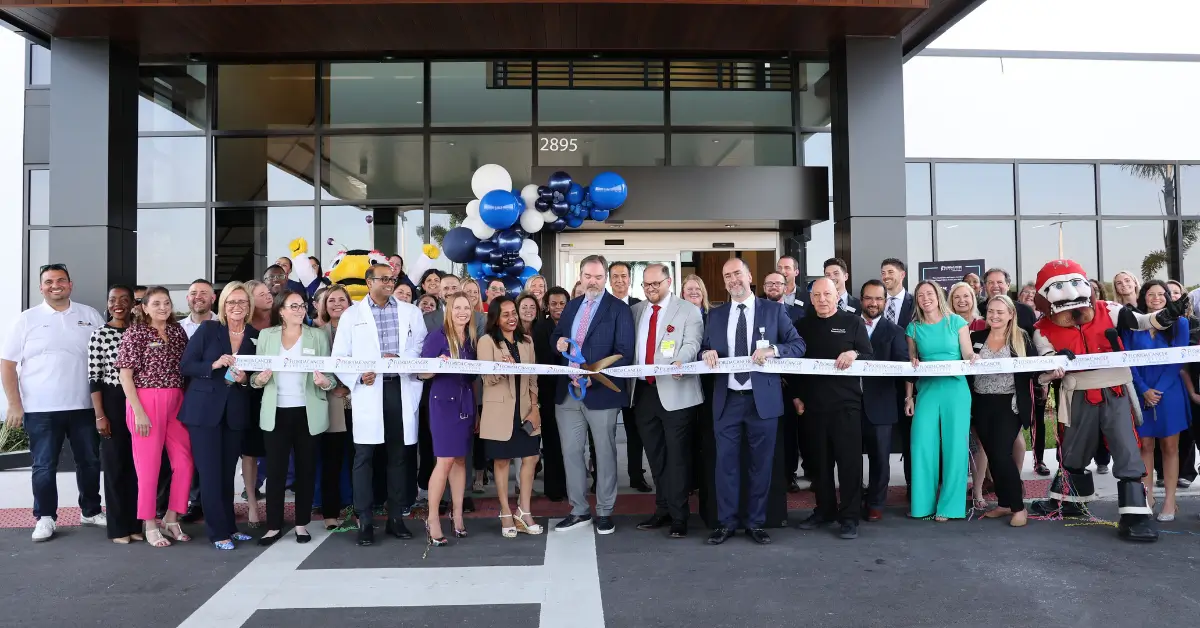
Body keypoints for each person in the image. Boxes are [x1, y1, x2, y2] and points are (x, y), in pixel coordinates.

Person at [1027, 259, 1181, 541]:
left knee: (1126, 448)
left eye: (1075, 284)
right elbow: (1046, 358)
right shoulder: (1042, 327)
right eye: (1061, 287)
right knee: (1073, 449)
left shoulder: (1109, 310)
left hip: (1116, 390)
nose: (1072, 294)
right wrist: (1054, 366)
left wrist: (1165, 316)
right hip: (1077, 391)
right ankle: (1070, 501)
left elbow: (1142, 322)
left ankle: (1135, 515)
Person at [702, 258, 806, 546]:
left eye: (737, 273)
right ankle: (726, 523)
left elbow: (798, 345)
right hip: (727, 401)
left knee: (760, 465)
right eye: (727, 276)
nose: (733, 279)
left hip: (764, 402)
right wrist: (704, 354)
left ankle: (756, 522)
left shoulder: (774, 310)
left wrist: (774, 349)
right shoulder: (716, 314)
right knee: (726, 465)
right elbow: (703, 348)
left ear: (749, 276)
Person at [3, 264, 107, 543]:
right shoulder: (26, 319)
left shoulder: (90, 316)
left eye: (61, 280)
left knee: (90, 462)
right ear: (41, 288)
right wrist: (14, 404)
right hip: (41, 409)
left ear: (70, 284)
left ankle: (91, 511)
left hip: (84, 406)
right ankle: (45, 517)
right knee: (44, 465)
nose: (55, 285)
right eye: (49, 281)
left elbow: (104, 360)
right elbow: (8, 364)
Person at [332, 263, 428, 546]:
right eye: (384, 279)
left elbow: (420, 347)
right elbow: (340, 356)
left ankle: (396, 517)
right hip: (368, 391)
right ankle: (365, 521)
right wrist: (358, 376)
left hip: (399, 388)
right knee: (364, 457)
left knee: (398, 457)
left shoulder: (411, 312)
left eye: (392, 278)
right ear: (368, 281)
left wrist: (400, 358)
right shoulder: (352, 315)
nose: (389, 283)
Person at [550, 255, 636, 534]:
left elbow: (625, 352)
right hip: (568, 393)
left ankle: (605, 511)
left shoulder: (618, 309)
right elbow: (557, 339)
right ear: (581, 276)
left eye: (599, 277)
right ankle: (578, 510)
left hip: (602, 394)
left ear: (606, 279)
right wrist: (559, 342)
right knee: (572, 453)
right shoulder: (572, 306)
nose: (593, 281)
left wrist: (594, 373)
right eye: (588, 276)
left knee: (605, 453)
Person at [251, 290, 338, 546]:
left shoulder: (318, 336)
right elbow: (255, 378)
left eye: (302, 306)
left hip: (307, 413)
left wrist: (324, 382)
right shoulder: (267, 336)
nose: (299, 310)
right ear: (281, 311)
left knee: (306, 470)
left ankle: (301, 524)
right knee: (276, 472)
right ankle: (273, 526)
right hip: (276, 411)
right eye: (294, 306)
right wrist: (260, 379)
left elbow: (331, 377)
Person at [177, 282, 259, 550]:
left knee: (226, 474)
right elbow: (186, 365)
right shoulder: (209, 329)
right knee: (210, 474)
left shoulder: (255, 336)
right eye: (231, 302)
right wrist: (215, 364)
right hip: (203, 413)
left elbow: (256, 379)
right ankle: (217, 532)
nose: (237, 307)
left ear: (249, 306)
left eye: (242, 302)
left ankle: (230, 527)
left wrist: (246, 379)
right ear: (223, 305)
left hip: (234, 413)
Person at [793, 278, 872, 539]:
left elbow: (869, 354)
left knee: (849, 464)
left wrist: (854, 354)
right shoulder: (801, 325)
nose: (822, 299)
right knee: (819, 465)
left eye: (827, 294)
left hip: (846, 406)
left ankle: (849, 517)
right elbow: (793, 364)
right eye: (817, 295)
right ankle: (824, 510)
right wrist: (796, 396)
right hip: (812, 408)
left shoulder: (853, 322)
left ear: (837, 295)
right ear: (811, 298)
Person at [115, 286, 193, 547]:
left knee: (184, 462)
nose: (163, 307)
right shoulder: (135, 333)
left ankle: (172, 518)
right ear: (145, 307)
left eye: (167, 302)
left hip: (176, 401)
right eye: (156, 303)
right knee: (148, 468)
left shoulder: (177, 332)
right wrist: (138, 411)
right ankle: (149, 523)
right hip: (146, 402)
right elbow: (125, 375)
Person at [630, 264, 704, 539]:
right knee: (656, 457)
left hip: (676, 391)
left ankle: (679, 516)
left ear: (669, 282)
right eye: (646, 285)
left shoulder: (688, 310)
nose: (651, 289)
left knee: (677, 458)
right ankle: (661, 509)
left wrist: (680, 361)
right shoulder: (636, 311)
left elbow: (692, 343)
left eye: (656, 284)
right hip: (644, 392)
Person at [905, 280, 975, 521]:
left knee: (955, 447)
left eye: (930, 293)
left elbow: (966, 352)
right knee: (922, 445)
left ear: (939, 296)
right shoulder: (913, 328)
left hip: (955, 390)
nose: (925, 298)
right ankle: (922, 505)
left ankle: (950, 507)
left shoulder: (957, 322)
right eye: (920, 295)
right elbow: (911, 365)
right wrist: (908, 397)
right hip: (927, 391)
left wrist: (972, 356)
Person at [1122, 281, 1190, 522]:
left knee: (1170, 447)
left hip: (1169, 392)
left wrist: (1157, 390)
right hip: (1140, 391)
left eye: (1162, 294)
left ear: (1169, 298)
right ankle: (1147, 497)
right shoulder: (1132, 324)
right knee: (1144, 446)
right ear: (1144, 298)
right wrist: (1143, 390)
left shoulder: (1180, 323)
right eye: (1151, 294)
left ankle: (1170, 501)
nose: (1157, 298)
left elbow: (1177, 361)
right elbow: (1127, 359)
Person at [479, 296, 543, 538]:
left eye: (513, 313)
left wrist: (535, 407)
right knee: (502, 461)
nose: (512, 317)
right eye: (505, 314)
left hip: (526, 410)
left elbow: (533, 378)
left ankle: (524, 512)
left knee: (530, 459)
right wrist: (501, 368)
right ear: (496, 318)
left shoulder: (526, 341)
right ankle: (505, 512)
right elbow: (486, 379)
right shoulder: (487, 341)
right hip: (499, 412)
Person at [968, 295, 1034, 527]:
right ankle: (1004, 504)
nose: (994, 316)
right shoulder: (975, 337)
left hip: (1010, 404)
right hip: (981, 403)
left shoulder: (1021, 338)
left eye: (1000, 312)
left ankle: (1018, 507)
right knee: (992, 453)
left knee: (1001, 454)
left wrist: (1052, 371)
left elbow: (1035, 369)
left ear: (1010, 315)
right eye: (991, 311)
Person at [417, 291, 477, 545]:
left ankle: (457, 514)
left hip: (465, 403)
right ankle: (432, 519)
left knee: (461, 460)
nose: (462, 312)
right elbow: (421, 373)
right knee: (444, 461)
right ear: (448, 311)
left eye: (466, 307)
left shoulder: (472, 339)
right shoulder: (437, 337)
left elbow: (473, 376)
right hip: (443, 404)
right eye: (457, 308)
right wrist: (436, 365)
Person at [88, 285, 138, 543]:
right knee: (115, 465)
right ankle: (119, 528)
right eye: (112, 299)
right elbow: (94, 378)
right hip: (113, 401)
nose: (118, 304)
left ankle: (137, 524)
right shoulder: (100, 335)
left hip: (140, 402)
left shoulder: (141, 332)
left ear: (132, 303)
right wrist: (100, 415)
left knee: (137, 466)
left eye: (124, 299)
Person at [855, 279, 908, 522]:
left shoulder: (895, 332)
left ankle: (876, 503)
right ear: (861, 299)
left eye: (878, 298)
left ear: (885, 302)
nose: (873, 303)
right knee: (850, 457)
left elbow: (902, 366)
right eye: (869, 298)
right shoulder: (849, 325)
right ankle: (853, 501)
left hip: (882, 405)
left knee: (880, 459)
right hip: (850, 404)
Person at [319, 284, 354, 529]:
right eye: (331, 300)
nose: (337, 304)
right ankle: (330, 513)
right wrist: (333, 387)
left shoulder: (360, 329)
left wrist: (351, 387)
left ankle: (356, 508)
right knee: (331, 460)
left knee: (356, 459)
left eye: (342, 299)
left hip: (358, 398)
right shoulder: (317, 333)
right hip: (330, 400)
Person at [533, 287, 571, 502]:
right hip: (548, 393)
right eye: (554, 303)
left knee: (572, 443)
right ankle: (554, 489)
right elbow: (543, 360)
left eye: (562, 303)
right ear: (547, 306)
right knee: (551, 442)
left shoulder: (574, 325)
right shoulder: (541, 328)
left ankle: (571, 486)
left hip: (572, 391)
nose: (558, 307)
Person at [240, 279, 272, 525]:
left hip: (279, 395)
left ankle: (275, 502)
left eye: (269, 292)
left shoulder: (282, 322)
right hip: (249, 397)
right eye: (262, 294)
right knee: (250, 453)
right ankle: (252, 504)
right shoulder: (242, 329)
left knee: (278, 451)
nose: (269, 296)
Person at [880, 258, 914, 327]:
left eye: (890, 272)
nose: (886, 276)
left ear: (902, 275)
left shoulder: (915, 303)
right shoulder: (876, 302)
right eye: (883, 273)